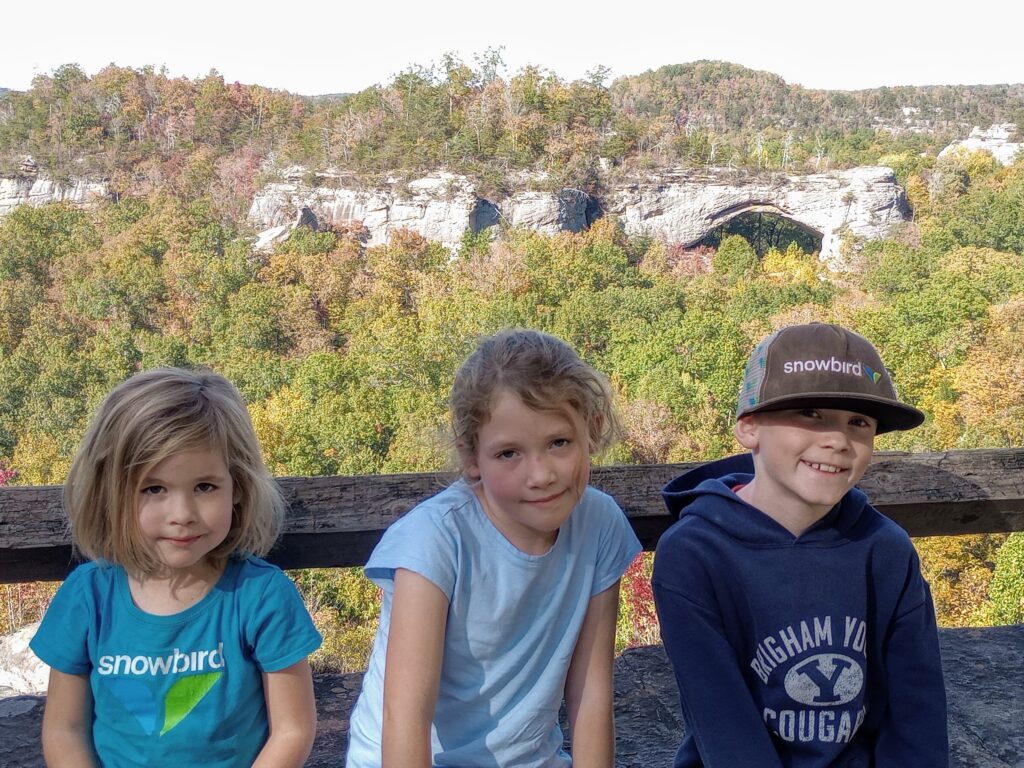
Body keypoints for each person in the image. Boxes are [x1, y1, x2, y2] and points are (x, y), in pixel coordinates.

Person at [652, 323, 948, 767]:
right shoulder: (693, 554)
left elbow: (916, 711)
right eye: (811, 414)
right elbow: (723, 724)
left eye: (859, 422)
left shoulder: (884, 550)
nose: (837, 440)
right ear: (749, 428)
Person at [345, 328, 642, 768]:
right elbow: (403, 717)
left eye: (558, 442)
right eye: (508, 454)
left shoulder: (600, 525)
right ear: (471, 457)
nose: (540, 474)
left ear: (591, 431)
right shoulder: (436, 541)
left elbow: (591, 694)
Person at [31, 368, 322, 767]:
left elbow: (293, 730)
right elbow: (65, 730)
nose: (182, 514)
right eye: (154, 488)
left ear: (237, 487)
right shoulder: (89, 596)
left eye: (205, 487)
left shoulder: (261, 596)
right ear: (110, 492)